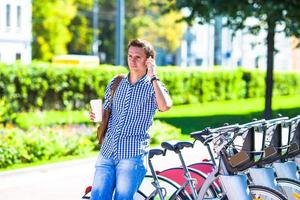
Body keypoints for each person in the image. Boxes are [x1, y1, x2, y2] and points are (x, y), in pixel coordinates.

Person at [89, 38, 172, 200]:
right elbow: (107, 111)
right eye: (130, 56)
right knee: (98, 197)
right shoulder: (116, 82)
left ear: (149, 60)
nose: (132, 61)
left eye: (138, 57)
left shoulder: (153, 86)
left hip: (132, 155)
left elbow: (165, 106)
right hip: (107, 151)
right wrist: (97, 116)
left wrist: (153, 76)